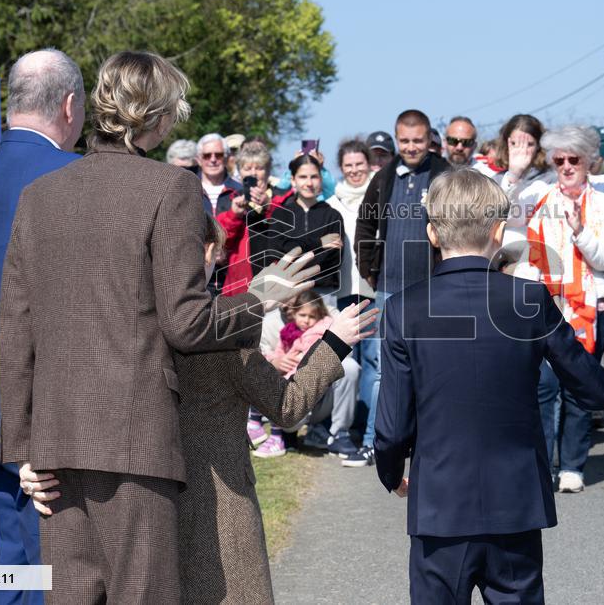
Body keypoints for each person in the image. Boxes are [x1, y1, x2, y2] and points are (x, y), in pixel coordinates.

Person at [0, 50, 318, 603]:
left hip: (54, 444)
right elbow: (186, 322)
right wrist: (267, 293)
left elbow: (15, 330)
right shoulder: (168, 189)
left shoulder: (37, 197)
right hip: (133, 442)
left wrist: (22, 449)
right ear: (159, 115)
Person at [26, 214, 378, 605]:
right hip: (221, 502)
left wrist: (32, 460)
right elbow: (288, 406)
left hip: (131, 499)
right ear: (209, 253)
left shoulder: (114, 325)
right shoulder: (223, 330)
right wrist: (334, 342)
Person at [375, 168, 604, 603]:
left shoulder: (403, 309)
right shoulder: (529, 300)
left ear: (431, 233)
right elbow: (594, 390)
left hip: (439, 505)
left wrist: (391, 471)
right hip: (516, 502)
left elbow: (392, 422)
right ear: (499, 232)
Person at [0, 49, 84, 603]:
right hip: (54, 381)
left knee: (8, 543)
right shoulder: (76, 178)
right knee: (58, 548)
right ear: (71, 106)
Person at [515, 125, 604, 494]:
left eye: (575, 159)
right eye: (560, 160)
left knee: (578, 389)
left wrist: (580, 230)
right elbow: (523, 244)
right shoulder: (540, 198)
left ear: (589, 161)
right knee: (543, 386)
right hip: (548, 306)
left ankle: (573, 465)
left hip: (591, 306)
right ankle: (543, 463)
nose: (567, 166)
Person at [348, 109, 450, 466]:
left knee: (431, 368)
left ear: (429, 139)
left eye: (417, 140)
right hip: (389, 289)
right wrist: (369, 269)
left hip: (432, 290)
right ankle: (375, 441)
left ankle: (428, 444)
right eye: (404, 140)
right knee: (379, 368)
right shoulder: (385, 176)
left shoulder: (444, 175)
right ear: (396, 139)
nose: (411, 147)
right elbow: (364, 224)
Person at [258, 290, 360, 458]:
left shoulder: (328, 318)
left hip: (319, 395)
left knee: (350, 366)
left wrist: (312, 357)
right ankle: (282, 434)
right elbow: (256, 359)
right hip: (289, 398)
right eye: (301, 314)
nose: (306, 320)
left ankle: (339, 433)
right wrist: (275, 363)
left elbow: (344, 352)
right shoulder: (270, 323)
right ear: (293, 313)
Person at [327, 139, 379, 452]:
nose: (355, 170)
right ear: (341, 168)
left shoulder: (379, 197)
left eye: (359, 164)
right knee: (348, 362)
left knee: (374, 362)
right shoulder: (332, 203)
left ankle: (370, 428)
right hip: (342, 292)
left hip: (372, 289)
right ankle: (346, 428)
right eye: (349, 165)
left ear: (369, 164)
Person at [217, 141, 290, 296]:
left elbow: (291, 231)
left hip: (277, 283)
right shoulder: (230, 199)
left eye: (259, 168)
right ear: (240, 172)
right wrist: (234, 215)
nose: (254, 173)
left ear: (268, 170)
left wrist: (269, 206)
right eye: (247, 168)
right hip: (240, 285)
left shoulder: (284, 198)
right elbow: (220, 241)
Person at [271, 153, 344, 305]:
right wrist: (319, 243)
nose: (309, 183)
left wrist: (296, 249)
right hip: (287, 290)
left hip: (323, 292)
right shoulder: (281, 214)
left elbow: (332, 258)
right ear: (293, 180)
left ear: (321, 179)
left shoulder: (332, 215)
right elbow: (278, 249)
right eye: (303, 177)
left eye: (314, 177)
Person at [492, 114, 552, 269]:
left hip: (538, 261)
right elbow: (497, 219)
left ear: (539, 145)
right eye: (515, 143)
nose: (521, 151)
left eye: (529, 144)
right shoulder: (495, 180)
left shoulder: (551, 179)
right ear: (506, 143)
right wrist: (513, 175)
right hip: (501, 262)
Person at [196, 132, 243, 215]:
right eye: (207, 155)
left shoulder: (239, 191)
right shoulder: (189, 189)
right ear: (199, 160)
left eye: (218, 155)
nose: (213, 160)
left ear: (226, 158)